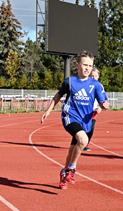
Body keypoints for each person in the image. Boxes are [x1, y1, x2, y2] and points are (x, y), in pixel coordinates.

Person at [41, 50, 109, 189]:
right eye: (84, 65)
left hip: (86, 122)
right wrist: (48, 111)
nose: (87, 68)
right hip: (70, 117)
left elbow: (103, 103)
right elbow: (58, 95)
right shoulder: (70, 82)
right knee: (83, 140)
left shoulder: (95, 85)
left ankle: (64, 173)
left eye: (90, 66)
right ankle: (72, 169)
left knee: (72, 150)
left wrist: (104, 105)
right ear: (77, 65)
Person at [83, 67, 106, 151]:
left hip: (93, 111)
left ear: (98, 77)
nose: (93, 78)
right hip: (83, 109)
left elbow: (104, 99)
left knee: (90, 128)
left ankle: (85, 144)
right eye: (91, 76)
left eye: (95, 76)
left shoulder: (100, 86)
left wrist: (100, 107)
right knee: (82, 128)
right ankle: (80, 143)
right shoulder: (84, 84)